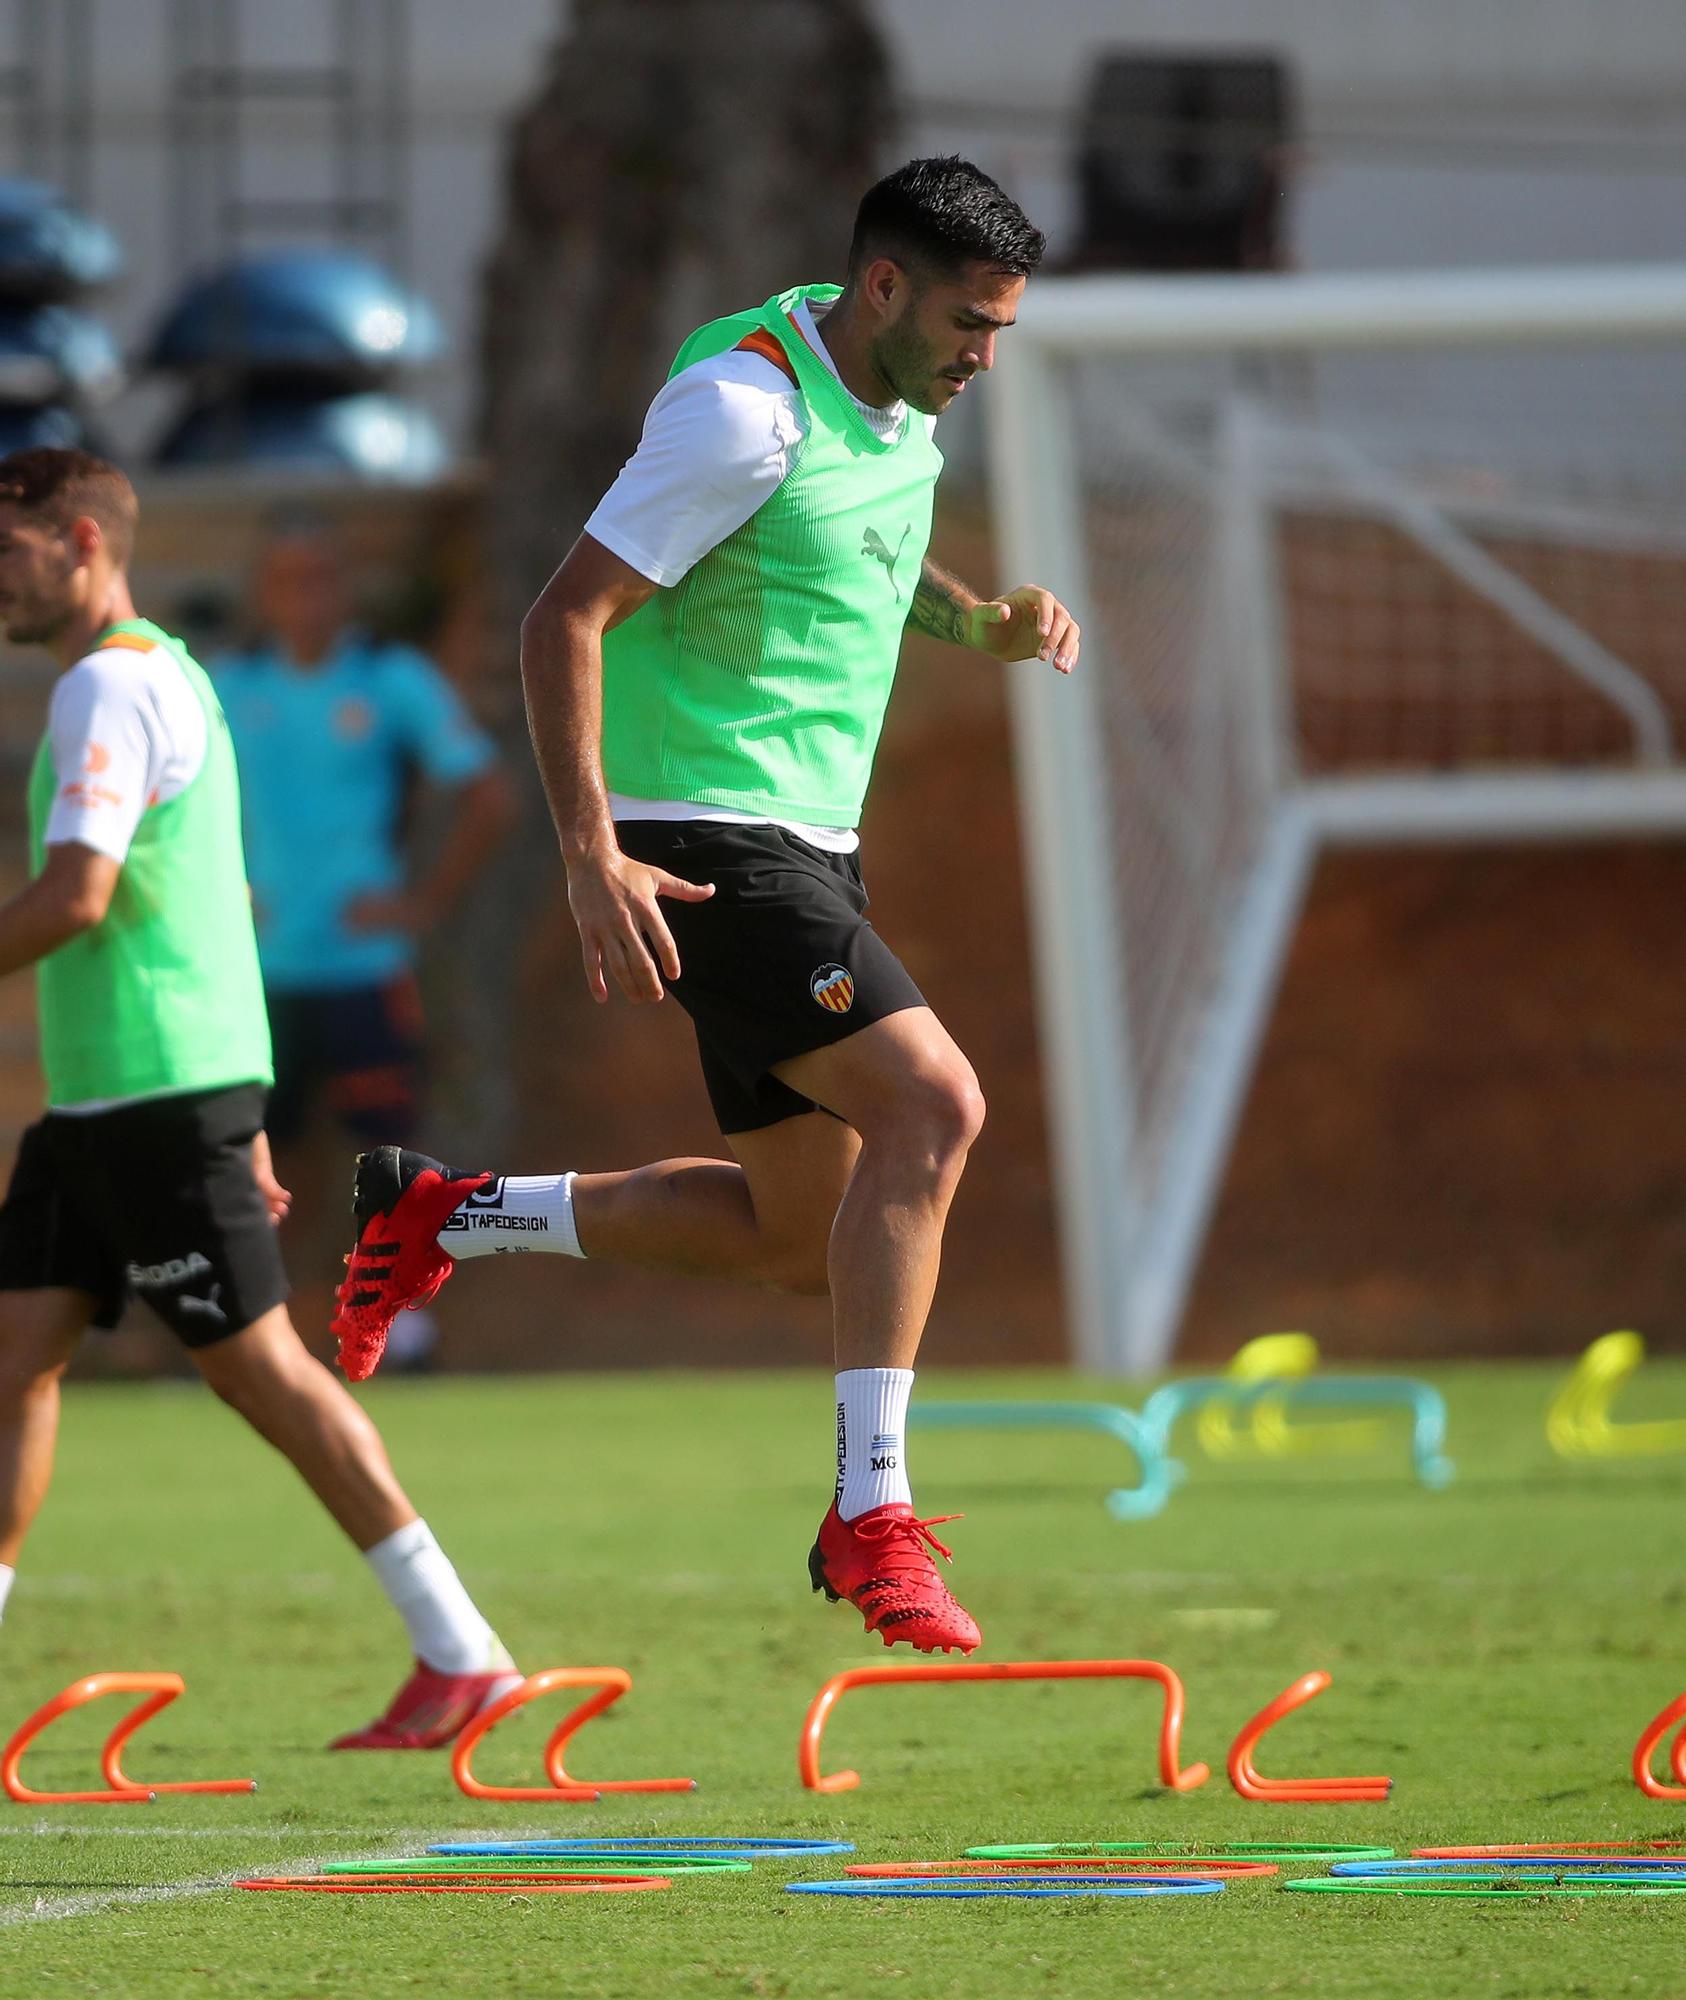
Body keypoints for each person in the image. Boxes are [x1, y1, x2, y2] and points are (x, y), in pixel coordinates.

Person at [335, 156, 1078, 1655]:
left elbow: (847, 542)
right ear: (882, 286)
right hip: (708, 842)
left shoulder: (882, 395)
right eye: (968, 324)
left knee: (794, 1232)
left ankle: (446, 1212)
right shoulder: (742, 408)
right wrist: (587, 847)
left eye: (999, 328)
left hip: (807, 843)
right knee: (935, 1109)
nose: (982, 356)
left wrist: (969, 619)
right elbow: (568, 615)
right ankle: (871, 1514)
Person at [0, 447, 519, 1747]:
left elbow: (79, 896)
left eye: (2, 555)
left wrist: (223, 1112)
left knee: (265, 1378)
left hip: (156, 1089)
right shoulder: (177, 675)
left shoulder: (110, 691)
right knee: (15, 1366)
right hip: (112, 1098)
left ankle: (463, 1654)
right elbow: (220, 898)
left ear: (77, 541)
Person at [216, 521, 512, 1367]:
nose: (305, 596)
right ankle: (249, 1324)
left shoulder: (388, 681)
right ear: (263, 591)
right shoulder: (228, 687)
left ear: (345, 588)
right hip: (259, 967)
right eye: (287, 578)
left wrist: (421, 904)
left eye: (321, 577)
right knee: (255, 1148)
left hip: (363, 966)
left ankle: (402, 1323)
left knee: (388, 1150)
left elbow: (488, 794)